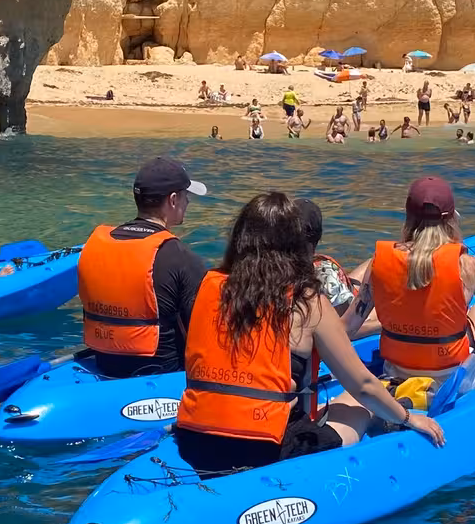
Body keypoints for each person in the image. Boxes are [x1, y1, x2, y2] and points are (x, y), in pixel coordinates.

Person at [172, 191, 441, 476]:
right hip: (262, 450)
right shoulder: (306, 299)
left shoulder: (210, 285)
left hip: (194, 441)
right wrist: (409, 418)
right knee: (359, 407)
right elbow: (362, 385)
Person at [344, 177, 475, 383]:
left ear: (408, 217)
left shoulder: (378, 263)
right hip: (451, 381)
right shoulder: (470, 266)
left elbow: (347, 329)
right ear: (452, 218)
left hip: (396, 375)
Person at [77, 156, 210, 378]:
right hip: (160, 378)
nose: (188, 202)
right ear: (173, 200)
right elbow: (205, 335)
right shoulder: (181, 258)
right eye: (187, 196)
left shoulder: (95, 247)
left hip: (104, 365)